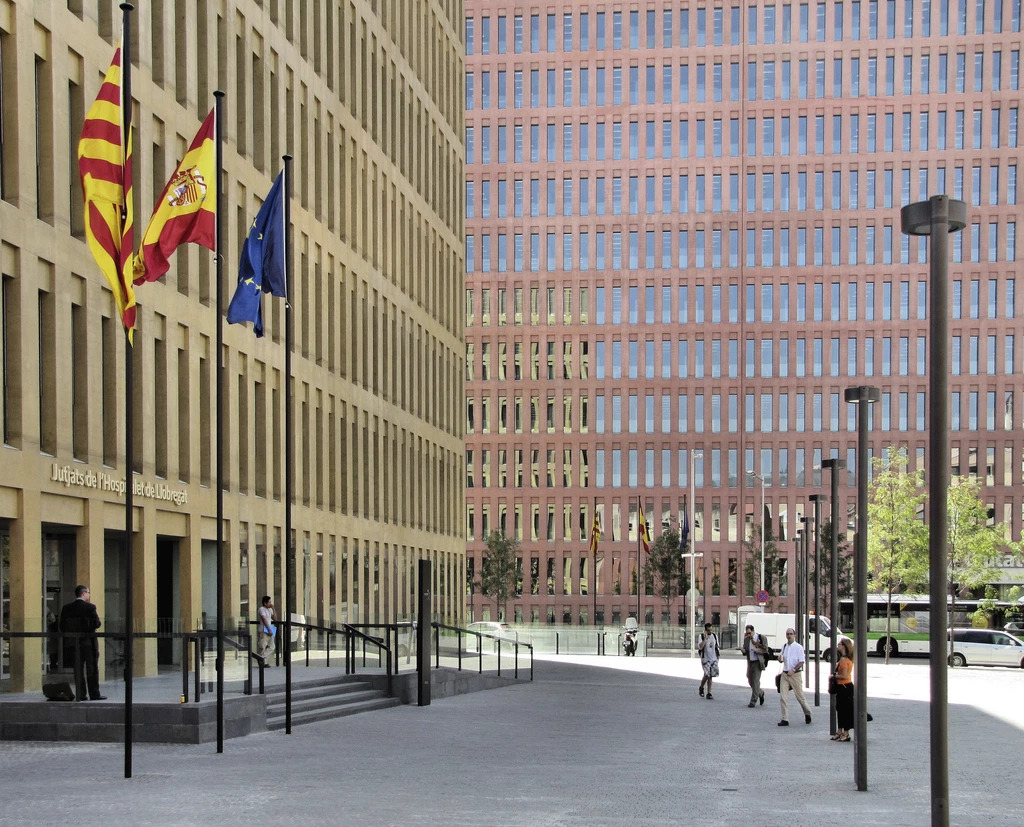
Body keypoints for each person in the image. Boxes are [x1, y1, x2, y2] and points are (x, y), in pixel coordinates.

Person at [58, 585, 105, 701]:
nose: (89, 595)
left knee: (77, 669)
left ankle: (81, 694)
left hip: (73, 643)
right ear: (83, 593)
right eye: (88, 592)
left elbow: (62, 626)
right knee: (92, 668)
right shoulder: (90, 607)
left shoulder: (66, 608)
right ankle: (94, 694)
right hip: (88, 643)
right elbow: (97, 623)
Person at [777, 628, 812, 726]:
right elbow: (781, 658)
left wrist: (794, 670)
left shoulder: (798, 647)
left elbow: (801, 661)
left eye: (791, 634)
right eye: (787, 634)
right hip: (785, 674)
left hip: (795, 674)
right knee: (783, 697)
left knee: (800, 697)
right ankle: (785, 719)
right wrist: (780, 659)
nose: (789, 636)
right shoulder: (784, 646)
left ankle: (807, 713)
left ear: (794, 635)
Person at [831, 638, 855, 742]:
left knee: (843, 710)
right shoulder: (846, 658)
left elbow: (844, 675)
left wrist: (835, 676)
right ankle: (840, 731)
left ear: (844, 646)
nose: (838, 645)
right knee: (841, 709)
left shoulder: (844, 660)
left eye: (839, 644)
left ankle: (845, 733)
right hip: (846, 686)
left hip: (844, 686)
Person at [741, 624, 769, 708]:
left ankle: (753, 701)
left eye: (750, 633)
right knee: (750, 680)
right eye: (747, 633)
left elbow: (765, 649)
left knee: (756, 681)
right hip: (750, 662)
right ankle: (760, 692)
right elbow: (745, 651)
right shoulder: (746, 640)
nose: (748, 635)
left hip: (758, 662)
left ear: (753, 631)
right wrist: (743, 651)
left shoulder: (761, 638)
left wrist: (757, 650)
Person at [697, 622, 720, 699]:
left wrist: (718, 658)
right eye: (708, 630)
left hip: (713, 658)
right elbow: (700, 647)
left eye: (711, 630)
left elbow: (717, 647)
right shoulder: (701, 636)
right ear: (705, 630)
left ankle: (709, 693)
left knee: (711, 676)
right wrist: (705, 639)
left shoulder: (714, 636)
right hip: (705, 658)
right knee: (706, 674)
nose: (710, 632)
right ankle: (701, 687)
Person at [257, 595, 277, 660]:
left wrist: (273, 609)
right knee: (263, 646)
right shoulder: (261, 609)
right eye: (269, 602)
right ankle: (263, 661)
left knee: (272, 646)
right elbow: (264, 619)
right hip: (264, 629)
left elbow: (275, 618)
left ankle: (261, 658)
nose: (270, 604)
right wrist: (269, 629)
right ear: (265, 603)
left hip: (270, 629)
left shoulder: (270, 610)